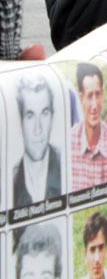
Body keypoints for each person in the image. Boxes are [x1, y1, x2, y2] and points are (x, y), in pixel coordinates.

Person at [12, 73, 62, 205]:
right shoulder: (10, 180)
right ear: (20, 122)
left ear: (52, 118)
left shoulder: (65, 166)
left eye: (45, 113)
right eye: (30, 115)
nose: (38, 129)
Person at [70, 62, 107, 190]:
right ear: (81, 98)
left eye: (98, 94)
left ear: (103, 95)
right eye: (89, 96)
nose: (94, 105)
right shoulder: (69, 141)